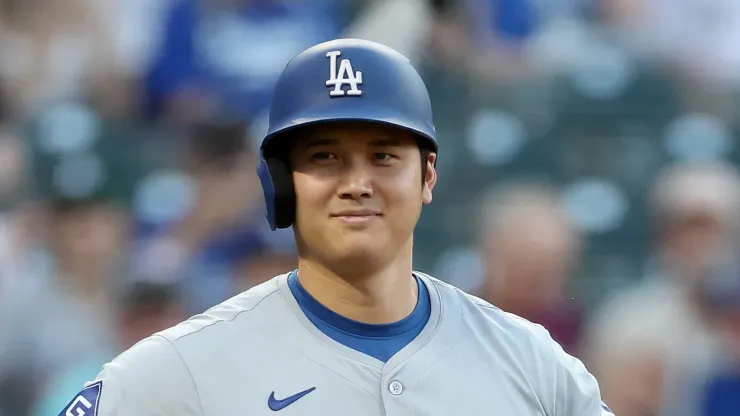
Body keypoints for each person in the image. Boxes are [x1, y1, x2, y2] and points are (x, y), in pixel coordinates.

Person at [59, 38, 614, 415]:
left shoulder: (530, 361)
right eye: (325, 157)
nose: (356, 182)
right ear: (281, 183)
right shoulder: (180, 369)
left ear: (427, 177)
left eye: (383, 156)